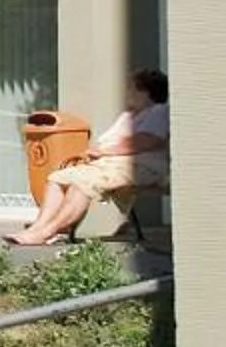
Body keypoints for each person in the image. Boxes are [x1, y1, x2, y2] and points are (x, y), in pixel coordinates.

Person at [11, 70, 168, 246]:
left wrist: (104, 152)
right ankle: (37, 228)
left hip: (138, 164)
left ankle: (47, 233)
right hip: (109, 164)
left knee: (82, 183)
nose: (127, 93)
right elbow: (107, 142)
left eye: (131, 88)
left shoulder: (159, 112)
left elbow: (146, 141)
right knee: (56, 178)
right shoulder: (127, 116)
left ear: (145, 92)